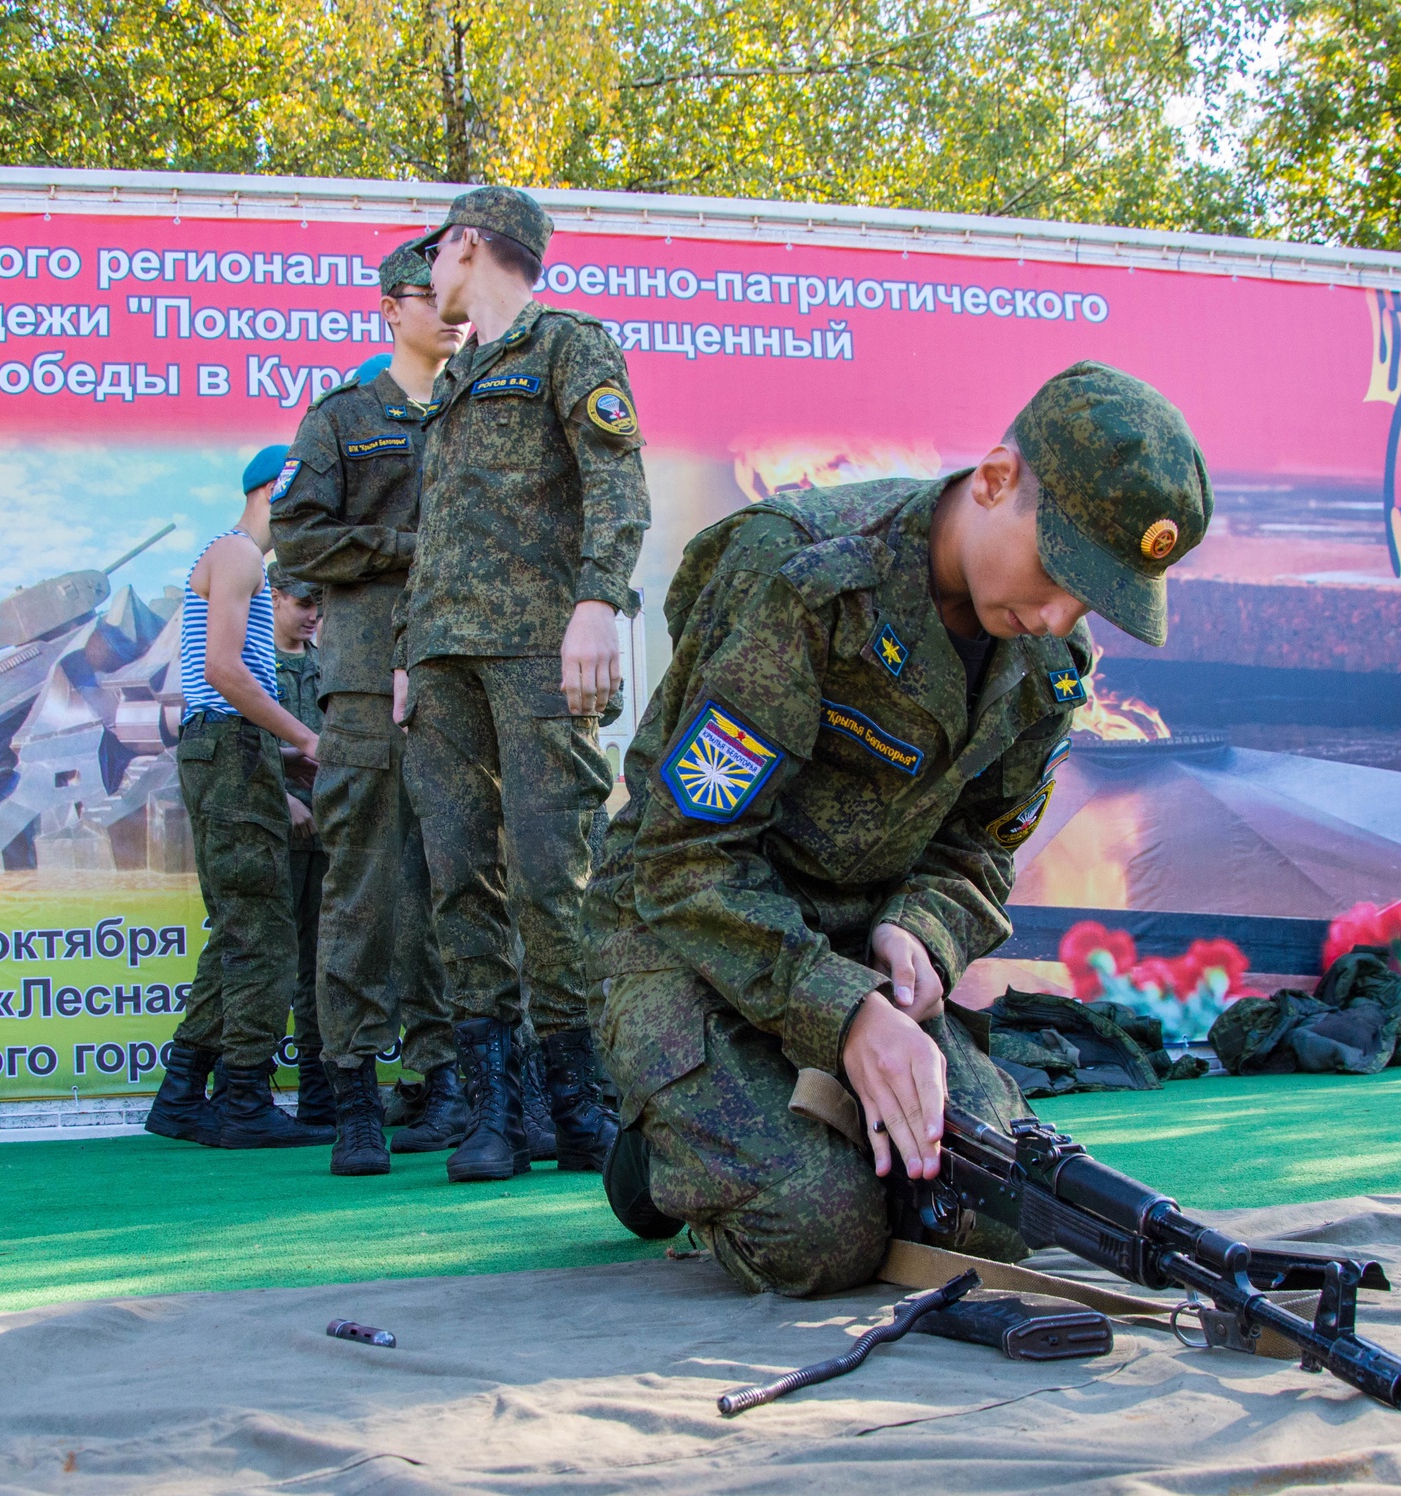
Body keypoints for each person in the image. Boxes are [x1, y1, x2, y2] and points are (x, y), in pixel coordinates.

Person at [584, 362, 1212, 1295]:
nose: (1058, 616)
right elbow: (683, 860)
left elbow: (978, 848)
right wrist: (842, 1014)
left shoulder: (1048, 658)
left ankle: (767, 1104)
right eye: (1060, 573)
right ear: (996, 480)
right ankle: (652, 1153)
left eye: (1094, 600)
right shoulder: (801, 574)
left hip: (863, 952)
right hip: (692, 934)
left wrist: (918, 930)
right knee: (817, 1235)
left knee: (991, 1211)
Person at [399, 186, 649, 1184]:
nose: (428, 278)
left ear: (469, 246)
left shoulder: (568, 345)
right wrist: (403, 656)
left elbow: (617, 479)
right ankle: (495, 1114)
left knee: (557, 877)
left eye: (437, 257)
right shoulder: (454, 380)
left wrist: (598, 602)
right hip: (443, 664)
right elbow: (438, 536)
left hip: (542, 650)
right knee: (461, 880)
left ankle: (577, 1102)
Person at [272, 242, 471, 1178]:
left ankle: (443, 1082)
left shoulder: (486, 408)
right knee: (360, 891)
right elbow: (299, 534)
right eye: (429, 296)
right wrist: (406, 545)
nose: (449, 310)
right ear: (390, 309)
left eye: (455, 295)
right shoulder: (345, 419)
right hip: (361, 687)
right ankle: (351, 1089)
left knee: (457, 887)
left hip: (464, 684)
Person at [145, 445, 331, 1150]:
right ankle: (245, 1101)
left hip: (234, 747)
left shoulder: (236, 560)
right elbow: (223, 672)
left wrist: (279, 748)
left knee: (238, 929)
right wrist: (306, 740)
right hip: (228, 746)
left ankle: (183, 1094)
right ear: (274, 492)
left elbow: (217, 678)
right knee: (263, 932)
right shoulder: (241, 557)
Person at [268, 563, 332, 1130]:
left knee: (320, 965)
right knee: (269, 961)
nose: (313, 613)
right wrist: (282, 801)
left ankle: (318, 1095)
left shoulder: (322, 663)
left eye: (320, 603)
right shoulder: (252, 665)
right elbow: (244, 745)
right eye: (303, 602)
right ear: (276, 595)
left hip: (328, 836)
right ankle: (243, 1089)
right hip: (276, 832)